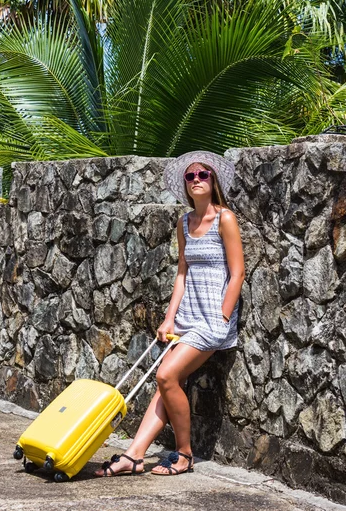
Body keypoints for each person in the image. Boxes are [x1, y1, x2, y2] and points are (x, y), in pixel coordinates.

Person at [95, 150, 244, 477]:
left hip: (213, 320)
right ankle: (135, 455)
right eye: (190, 177)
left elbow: (237, 273)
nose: (196, 180)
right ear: (186, 185)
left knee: (165, 376)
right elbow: (181, 273)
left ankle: (185, 454)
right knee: (167, 378)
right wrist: (168, 317)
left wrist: (223, 315)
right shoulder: (184, 223)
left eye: (202, 175)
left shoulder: (225, 219)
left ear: (213, 180)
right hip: (188, 316)